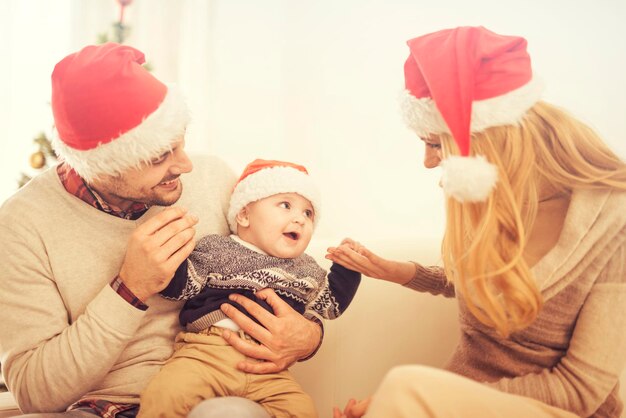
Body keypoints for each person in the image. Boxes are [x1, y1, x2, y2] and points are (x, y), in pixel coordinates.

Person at [0, 43, 324, 418]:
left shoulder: (214, 179)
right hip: (98, 407)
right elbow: (34, 394)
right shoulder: (21, 226)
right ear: (102, 166)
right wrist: (130, 288)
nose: (185, 165)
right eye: (159, 157)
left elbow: (289, 273)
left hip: (218, 394)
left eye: (180, 143)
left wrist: (308, 336)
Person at [327, 26, 626, 418]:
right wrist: (399, 272)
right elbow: (485, 285)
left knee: (402, 385)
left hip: (557, 410)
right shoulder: (488, 201)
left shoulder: (615, 228)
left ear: (490, 138)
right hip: (461, 401)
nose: (429, 162)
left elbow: (579, 389)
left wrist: (431, 400)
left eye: (435, 143)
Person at [138, 158, 361, 418]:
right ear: (244, 215)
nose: (299, 219)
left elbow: (330, 305)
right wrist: (171, 251)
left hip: (270, 369)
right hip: (207, 353)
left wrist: (349, 268)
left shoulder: (307, 269)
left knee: (302, 409)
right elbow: (180, 289)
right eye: (286, 205)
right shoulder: (217, 249)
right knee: (166, 394)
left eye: (308, 213)